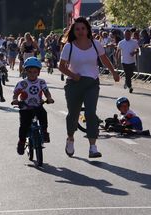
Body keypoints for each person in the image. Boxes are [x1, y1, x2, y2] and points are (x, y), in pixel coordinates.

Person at [58, 17, 120, 158]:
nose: (80, 31)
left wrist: (114, 72)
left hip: (92, 83)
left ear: (87, 30)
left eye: (83, 28)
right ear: (73, 31)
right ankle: (70, 138)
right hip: (74, 84)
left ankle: (93, 147)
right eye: (77, 29)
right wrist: (73, 75)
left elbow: (104, 59)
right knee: (73, 114)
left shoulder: (95, 43)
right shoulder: (70, 46)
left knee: (91, 113)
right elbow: (61, 66)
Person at [11, 57, 54, 155]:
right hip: (25, 107)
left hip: (38, 105)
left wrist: (49, 98)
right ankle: (21, 142)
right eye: (29, 72)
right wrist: (15, 100)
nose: (32, 74)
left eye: (35, 72)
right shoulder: (22, 83)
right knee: (24, 126)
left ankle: (44, 131)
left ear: (38, 72)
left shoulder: (41, 82)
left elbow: (46, 92)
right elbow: (16, 93)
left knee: (43, 115)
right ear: (25, 71)